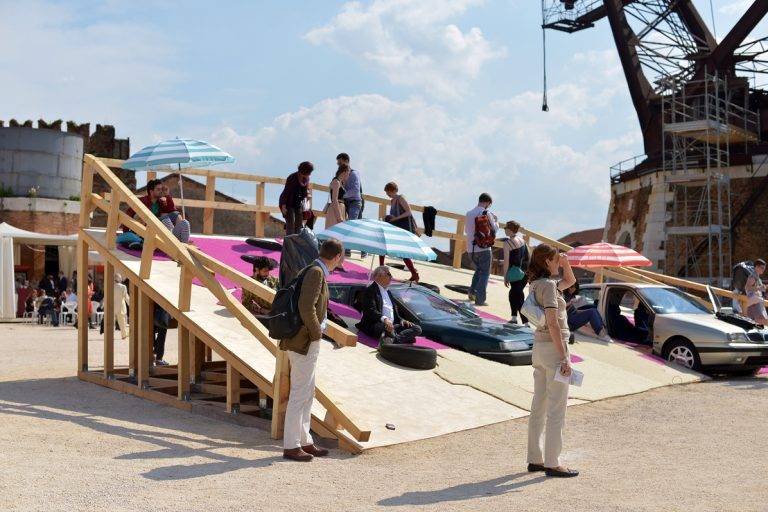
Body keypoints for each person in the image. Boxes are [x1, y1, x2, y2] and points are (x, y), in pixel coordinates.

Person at [279, 239, 344, 462]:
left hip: (301, 340)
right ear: (337, 257)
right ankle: (291, 445)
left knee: (308, 393)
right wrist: (317, 334)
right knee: (300, 394)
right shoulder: (316, 272)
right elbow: (306, 307)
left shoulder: (312, 268)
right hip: (304, 342)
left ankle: (304, 440)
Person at [526, 243, 579, 478]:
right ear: (547, 261)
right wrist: (564, 356)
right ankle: (552, 462)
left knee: (539, 404)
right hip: (553, 347)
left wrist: (566, 263)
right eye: (556, 259)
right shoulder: (548, 286)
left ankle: (535, 459)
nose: (559, 262)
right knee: (557, 408)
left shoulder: (537, 284)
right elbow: (554, 323)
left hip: (539, 347)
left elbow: (570, 282)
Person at [117, 179, 192, 249]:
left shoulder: (161, 202)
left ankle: (184, 247)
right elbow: (128, 214)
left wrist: (167, 195)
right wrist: (126, 233)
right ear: (151, 191)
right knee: (165, 219)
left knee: (184, 222)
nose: (161, 191)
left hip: (162, 232)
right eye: (158, 189)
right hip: (147, 231)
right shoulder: (142, 201)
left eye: (161, 189)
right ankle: (171, 243)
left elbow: (172, 210)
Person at [357, 266, 423, 344]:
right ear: (379, 276)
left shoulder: (388, 292)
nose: (391, 276)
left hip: (393, 325)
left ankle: (393, 339)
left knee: (417, 329)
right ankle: (396, 338)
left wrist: (402, 320)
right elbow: (370, 310)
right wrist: (385, 320)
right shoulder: (370, 290)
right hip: (377, 324)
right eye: (389, 274)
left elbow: (394, 312)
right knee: (389, 329)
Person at [380, 182, 420, 282]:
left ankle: (414, 274)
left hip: (403, 227)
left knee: (403, 252)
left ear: (393, 190)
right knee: (383, 244)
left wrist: (395, 218)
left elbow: (409, 212)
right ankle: (382, 269)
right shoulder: (392, 200)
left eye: (388, 192)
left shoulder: (400, 198)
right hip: (396, 226)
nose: (387, 194)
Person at [465, 193, 498, 306]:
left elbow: (467, 231)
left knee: (478, 271)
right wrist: (496, 220)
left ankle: (471, 293)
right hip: (484, 248)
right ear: (488, 202)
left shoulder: (469, 213)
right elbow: (494, 228)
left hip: (471, 248)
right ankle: (480, 300)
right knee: (484, 273)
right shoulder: (486, 213)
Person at [338, 153, 366, 258]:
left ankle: (348, 250)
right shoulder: (343, 174)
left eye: (340, 162)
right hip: (349, 203)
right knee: (357, 228)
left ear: (346, 161)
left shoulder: (354, 174)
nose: (338, 165)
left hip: (355, 202)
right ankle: (363, 251)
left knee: (350, 226)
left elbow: (355, 191)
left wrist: (341, 195)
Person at [502, 221, 528, 324]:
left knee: (519, 297)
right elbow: (527, 257)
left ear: (510, 230)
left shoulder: (507, 243)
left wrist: (505, 277)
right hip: (524, 273)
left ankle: (526, 323)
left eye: (506, 228)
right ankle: (513, 317)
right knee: (513, 294)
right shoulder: (522, 240)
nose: (504, 230)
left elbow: (506, 262)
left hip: (515, 273)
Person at [279, 161, 313, 235]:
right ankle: (289, 243)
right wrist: (283, 206)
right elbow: (286, 192)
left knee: (299, 224)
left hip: (298, 203)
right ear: (304, 171)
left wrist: (307, 195)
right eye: (309, 172)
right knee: (290, 224)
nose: (310, 174)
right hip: (288, 202)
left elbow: (304, 191)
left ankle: (296, 242)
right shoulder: (292, 177)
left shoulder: (306, 179)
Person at [745, 259, 768, 326]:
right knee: (761, 321)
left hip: (755, 302)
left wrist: (763, 287)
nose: (763, 270)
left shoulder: (757, 277)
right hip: (755, 302)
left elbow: (756, 288)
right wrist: (759, 288)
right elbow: (747, 288)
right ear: (756, 267)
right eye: (762, 268)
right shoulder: (753, 277)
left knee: (753, 322)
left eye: (764, 268)